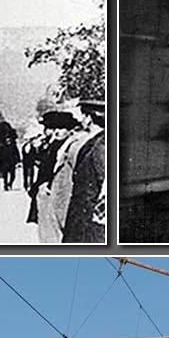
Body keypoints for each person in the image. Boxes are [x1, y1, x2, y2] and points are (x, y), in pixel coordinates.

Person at [24, 97, 88, 244]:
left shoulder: (67, 146)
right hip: (47, 195)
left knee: (53, 236)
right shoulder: (55, 145)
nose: (57, 132)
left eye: (62, 128)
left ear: (70, 129)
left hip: (55, 196)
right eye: (55, 128)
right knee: (47, 234)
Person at [60, 99, 107, 244]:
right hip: (83, 212)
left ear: (89, 118)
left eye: (84, 115)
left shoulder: (102, 144)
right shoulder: (96, 140)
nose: (82, 119)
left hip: (89, 214)